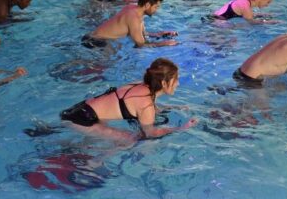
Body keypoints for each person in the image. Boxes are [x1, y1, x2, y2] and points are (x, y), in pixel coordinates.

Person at [60, 58, 197, 142]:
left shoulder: (141, 85)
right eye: (175, 80)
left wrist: (174, 108)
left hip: (78, 109)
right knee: (132, 139)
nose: (178, 83)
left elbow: (149, 107)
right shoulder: (146, 105)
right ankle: (93, 163)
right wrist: (181, 128)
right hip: (82, 120)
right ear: (164, 83)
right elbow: (151, 133)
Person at [82, 0, 179, 48]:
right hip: (95, 42)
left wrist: (160, 34)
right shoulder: (134, 18)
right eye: (156, 7)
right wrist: (164, 44)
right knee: (106, 66)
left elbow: (142, 34)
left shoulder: (134, 9)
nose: (156, 10)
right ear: (147, 5)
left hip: (92, 37)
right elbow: (141, 45)